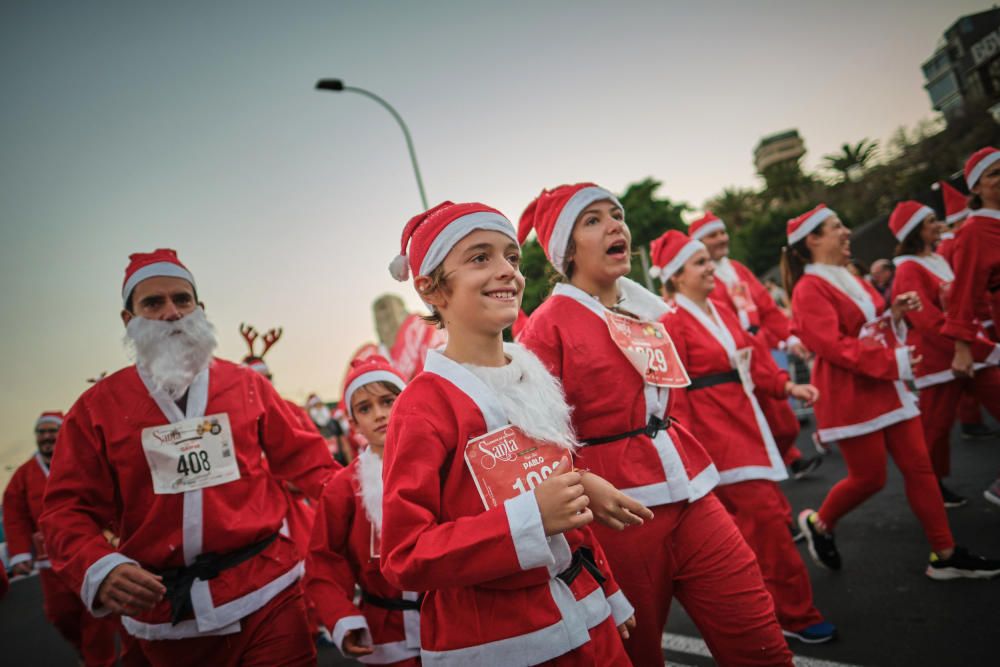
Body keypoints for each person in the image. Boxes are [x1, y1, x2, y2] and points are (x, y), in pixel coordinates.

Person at [518, 183, 794, 666]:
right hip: (616, 516)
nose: (614, 225)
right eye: (593, 220)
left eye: (616, 214)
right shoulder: (546, 325)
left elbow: (670, 402)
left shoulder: (648, 314)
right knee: (638, 656)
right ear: (568, 248)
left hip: (690, 494)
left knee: (758, 636)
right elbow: (535, 442)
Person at [39, 249, 337, 666]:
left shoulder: (248, 386)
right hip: (165, 614)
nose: (171, 312)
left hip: (267, 594)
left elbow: (314, 465)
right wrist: (99, 566)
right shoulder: (95, 409)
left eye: (182, 300)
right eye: (153, 303)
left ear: (200, 309)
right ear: (129, 320)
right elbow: (66, 510)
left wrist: (376, 509)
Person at [381, 201, 647, 666]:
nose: (507, 271)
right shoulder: (422, 406)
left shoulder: (532, 376)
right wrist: (529, 518)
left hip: (588, 616)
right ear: (430, 289)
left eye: (511, 256)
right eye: (480, 258)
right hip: (500, 645)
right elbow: (405, 555)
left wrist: (609, 588)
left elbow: (560, 509)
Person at [781, 205, 1000, 579]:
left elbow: (870, 325)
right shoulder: (808, 288)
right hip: (851, 393)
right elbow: (833, 345)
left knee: (920, 469)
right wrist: (892, 362)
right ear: (813, 240)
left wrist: (895, 313)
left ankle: (944, 554)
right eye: (837, 227)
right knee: (870, 479)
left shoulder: (849, 275)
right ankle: (819, 522)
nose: (847, 231)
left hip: (886, 385)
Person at [651, 230, 834, 644]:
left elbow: (751, 352)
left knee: (759, 526)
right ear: (677, 276)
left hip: (747, 422)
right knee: (768, 522)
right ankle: (795, 614)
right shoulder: (669, 322)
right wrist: (693, 455)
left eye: (707, 260)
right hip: (718, 439)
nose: (711, 267)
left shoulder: (719, 307)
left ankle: (767, 610)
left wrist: (787, 386)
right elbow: (674, 396)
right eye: (699, 263)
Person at [688, 212, 821, 481]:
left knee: (783, 421)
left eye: (722, 232)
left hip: (757, 351)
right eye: (713, 235)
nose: (722, 238)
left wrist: (789, 338)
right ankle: (784, 463)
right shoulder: (694, 279)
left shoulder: (737, 269)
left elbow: (766, 307)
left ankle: (784, 458)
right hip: (728, 360)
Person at [306, 356, 420, 665]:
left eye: (388, 400)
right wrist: (342, 617)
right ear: (353, 423)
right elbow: (324, 561)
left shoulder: (440, 462)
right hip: (387, 638)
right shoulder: (343, 487)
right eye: (365, 408)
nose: (380, 414)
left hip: (454, 626)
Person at [888, 201, 1000, 507]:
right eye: (931, 221)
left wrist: (978, 345)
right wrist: (981, 347)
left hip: (967, 352)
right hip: (938, 361)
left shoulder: (937, 259)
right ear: (914, 232)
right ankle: (929, 486)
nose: (939, 225)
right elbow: (927, 322)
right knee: (935, 431)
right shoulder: (908, 269)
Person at [3, 411, 118, 665]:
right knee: (60, 615)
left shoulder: (83, 462)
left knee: (96, 614)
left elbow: (109, 497)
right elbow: (14, 514)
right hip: (50, 561)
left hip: (89, 553)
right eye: (41, 432)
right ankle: (84, 651)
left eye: (52, 431)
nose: (46, 437)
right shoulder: (23, 475)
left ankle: (100, 661)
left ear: (63, 432)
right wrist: (20, 552)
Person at [944, 147, 1000, 506]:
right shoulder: (974, 230)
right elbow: (963, 291)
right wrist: (963, 345)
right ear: (976, 189)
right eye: (994, 174)